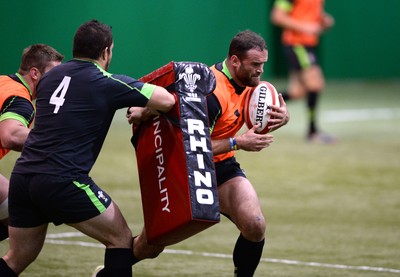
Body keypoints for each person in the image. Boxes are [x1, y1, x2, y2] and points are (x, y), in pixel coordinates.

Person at [0, 19, 175, 277]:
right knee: (120, 239)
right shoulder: (105, 81)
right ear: (106, 52)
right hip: (63, 180)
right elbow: (167, 100)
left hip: (24, 179)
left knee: (17, 259)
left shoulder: (49, 79)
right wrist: (145, 111)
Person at [207, 30, 289, 276]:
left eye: (263, 64)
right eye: (255, 64)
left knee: (254, 225)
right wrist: (237, 143)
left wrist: (283, 118)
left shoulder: (254, 87)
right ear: (234, 61)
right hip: (188, 167)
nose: (260, 71)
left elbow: (264, 117)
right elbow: (191, 146)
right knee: (152, 245)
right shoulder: (211, 91)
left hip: (222, 166)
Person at [0, 44, 64, 241]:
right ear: (35, 73)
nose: (59, 80)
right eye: (54, 74)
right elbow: (10, 135)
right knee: (28, 215)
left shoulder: (4, 81)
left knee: (17, 212)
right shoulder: (20, 100)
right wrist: (55, 140)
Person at [270, 0, 336, 143]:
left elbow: (309, 12)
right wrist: (304, 27)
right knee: (315, 84)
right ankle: (312, 132)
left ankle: (256, 106)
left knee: (296, 92)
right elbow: (277, 16)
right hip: (297, 44)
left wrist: (323, 19)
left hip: (308, 44)